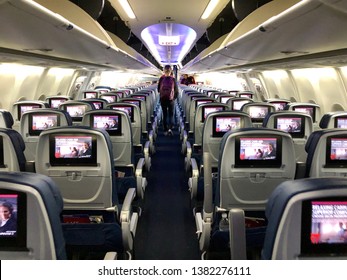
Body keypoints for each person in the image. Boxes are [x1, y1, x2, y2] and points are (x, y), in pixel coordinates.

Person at [157, 65, 178, 136]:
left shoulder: (161, 78)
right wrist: (173, 98)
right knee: (171, 114)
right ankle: (170, 128)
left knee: (164, 114)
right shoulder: (173, 79)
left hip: (163, 99)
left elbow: (158, 90)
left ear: (164, 70)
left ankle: (165, 129)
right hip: (171, 100)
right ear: (171, 71)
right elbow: (176, 91)